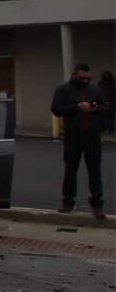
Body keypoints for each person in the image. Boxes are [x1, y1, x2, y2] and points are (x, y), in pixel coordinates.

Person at [50, 63, 107, 219]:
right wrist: (77, 107)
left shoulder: (94, 89)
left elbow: (104, 107)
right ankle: (68, 202)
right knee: (71, 169)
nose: (85, 81)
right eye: (82, 78)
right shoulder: (63, 89)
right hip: (73, 135)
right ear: (74, 75)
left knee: (95, 171)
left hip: (92, 135)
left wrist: (95, 108)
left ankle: (97, 204)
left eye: (88, 78)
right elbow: (56, 109)